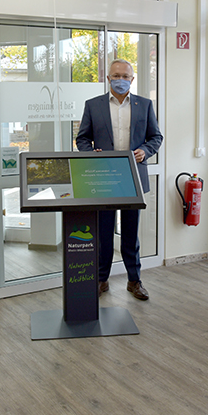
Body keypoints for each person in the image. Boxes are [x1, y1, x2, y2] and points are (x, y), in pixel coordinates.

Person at [76, 59, 163, 300]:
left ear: (132, 80)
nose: (121, 79)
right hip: (104, 177)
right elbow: (82, 139)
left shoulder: (144, 105)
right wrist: (89, 154)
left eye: (125, 76)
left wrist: (145, 151)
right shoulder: (93, 106)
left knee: (130, 233)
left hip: (132, 178)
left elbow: (156, 136)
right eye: (116, 75)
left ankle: (134, 280)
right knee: (103, 232)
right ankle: (101, 279)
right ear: (108, 78)